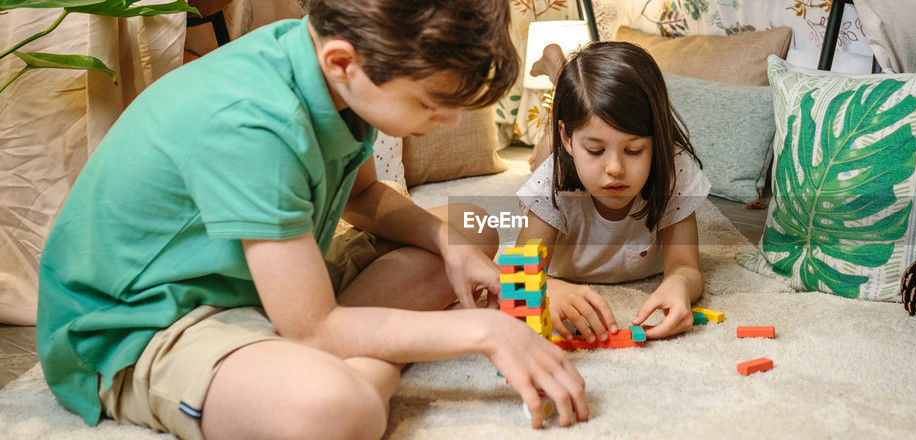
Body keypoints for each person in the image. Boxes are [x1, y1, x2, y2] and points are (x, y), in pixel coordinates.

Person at [37, 1, 587, 438]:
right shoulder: (257, 125)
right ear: (344, 63)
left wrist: (447, 240)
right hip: (141, 325)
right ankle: (347, 361)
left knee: (468, 225)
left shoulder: (327, 71)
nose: (444, 123)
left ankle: (336, 348)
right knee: (337, 410)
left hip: (258, 284)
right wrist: (481, 331)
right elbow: (313, 327)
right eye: (428, 104)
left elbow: (365, 195)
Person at [516, 42, 710, 344]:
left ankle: (562, 78)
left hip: (576, 143)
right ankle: (557, 70)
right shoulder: (550, 181)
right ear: (569, 139)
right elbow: (517, 274)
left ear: (656, 139)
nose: (615, 169)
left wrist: (681, 283)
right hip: (560, 158)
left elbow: (686, 267)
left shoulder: (674, 168)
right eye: (596, 150)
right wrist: (547, 290)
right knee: (544, 149)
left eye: (633, 150)